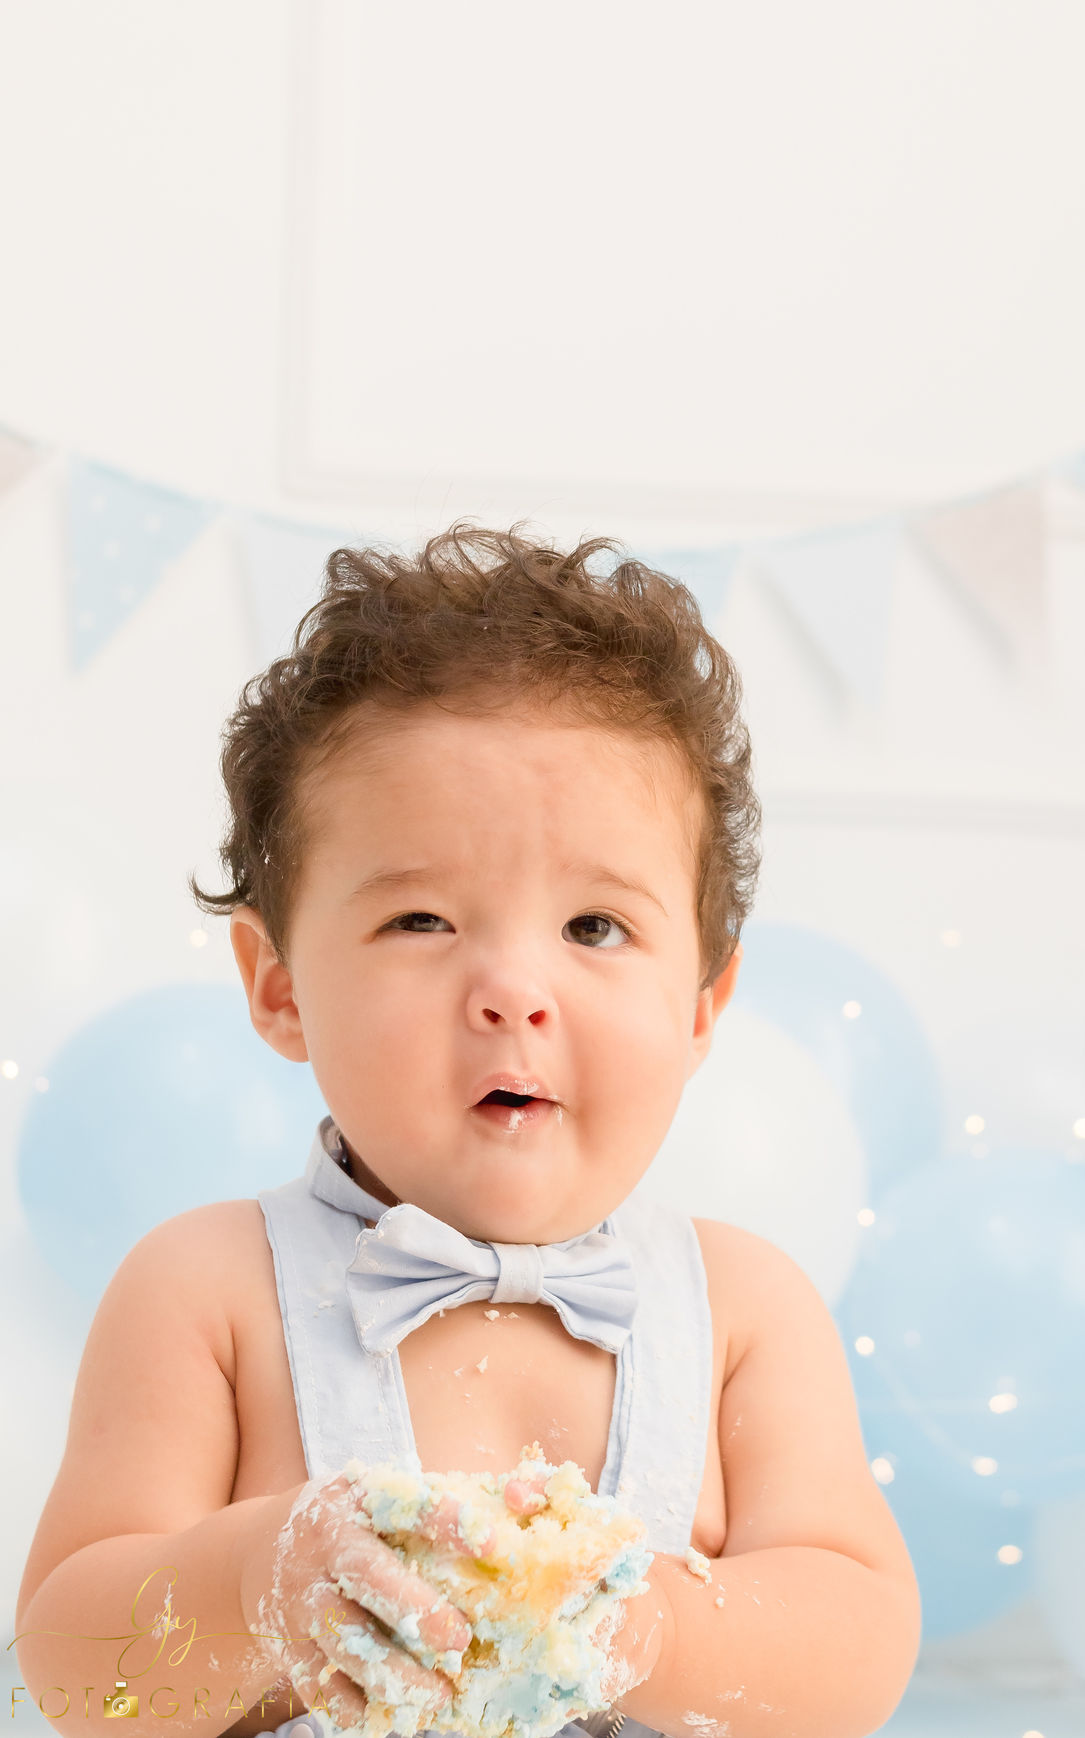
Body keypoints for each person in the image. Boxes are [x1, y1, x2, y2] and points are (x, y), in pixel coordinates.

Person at [15, 529, 919, 1738]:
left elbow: (856, 1655)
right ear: (281, 986)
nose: (512, 990)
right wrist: (252, 1583)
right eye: (425, 919)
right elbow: (83, 1680)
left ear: (703, 1005)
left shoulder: (747, 1313)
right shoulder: (209, 1292)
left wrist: (638, 1623)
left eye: (594, 927)